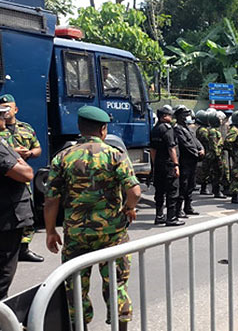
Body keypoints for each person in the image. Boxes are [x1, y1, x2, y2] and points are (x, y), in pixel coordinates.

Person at [44, 106, 141, 329]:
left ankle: (81, 326)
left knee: (76, 286)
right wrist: (129, 208)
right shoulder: (115, 155)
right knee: (116, 285)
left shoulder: (63, 157)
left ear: (80, 127)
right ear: (103, 129)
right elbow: (134, 192)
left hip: (77, 235)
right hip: (112, 235)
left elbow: (50, 200)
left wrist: (50, 231)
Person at [0, 94, 43, 262]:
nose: (5, 111)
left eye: (8, 108)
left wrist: (30, 153)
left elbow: (37, 148)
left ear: (15, 109)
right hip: (6, 177)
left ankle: (24, 249)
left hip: (23, 177)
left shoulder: (25, 128)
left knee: (27, 213)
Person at [0, 104, 34, 298]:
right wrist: (19, 160)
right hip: (6, 220)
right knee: (4, 273)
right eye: (1, 115)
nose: (4, 117)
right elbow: (26, 174)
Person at [150, 105, 184, 226]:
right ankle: (171, 218)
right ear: (164, 116)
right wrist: (176, 165)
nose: (171, 117)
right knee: (172, 191)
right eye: (170, 115)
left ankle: (159, 216)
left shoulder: (154, 129)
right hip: (168, 165)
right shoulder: (167, 129)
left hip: (158, 165)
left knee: (159, 192)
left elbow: (152, 150)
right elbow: (172, 148)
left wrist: (154, 165)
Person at [173, 106, 203, 217]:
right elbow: (185, 145)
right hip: (184, 161)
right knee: (183, 185)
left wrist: (201, 149)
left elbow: (195, 141)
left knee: (191, 184)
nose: (186, 117)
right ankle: (179, 209)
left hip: (192, 161)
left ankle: (188, 207)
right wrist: (197, 153)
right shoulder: (177, 129)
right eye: (184, 115)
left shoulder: (187, 128)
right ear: (178, 116)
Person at [195, 110, 212, 195]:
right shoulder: (203, 130)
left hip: (205, 151)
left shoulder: (201, 129)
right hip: (206, 152)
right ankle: (204, 188)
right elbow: (207, 140)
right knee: (206, 171)